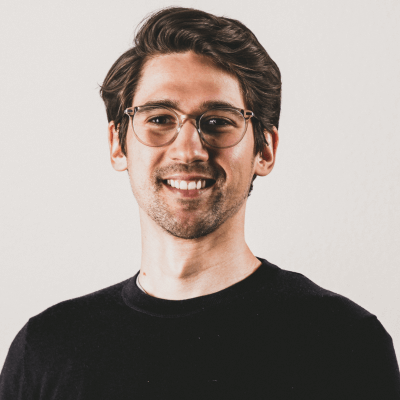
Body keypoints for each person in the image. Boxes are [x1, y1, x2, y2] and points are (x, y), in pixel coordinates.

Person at [1, 6, 399, 399]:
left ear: (265, 150)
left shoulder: (345, 344)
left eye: (218, 121)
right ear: (117, 144)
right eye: (159, 119)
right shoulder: (46, 350)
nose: (189, 149)